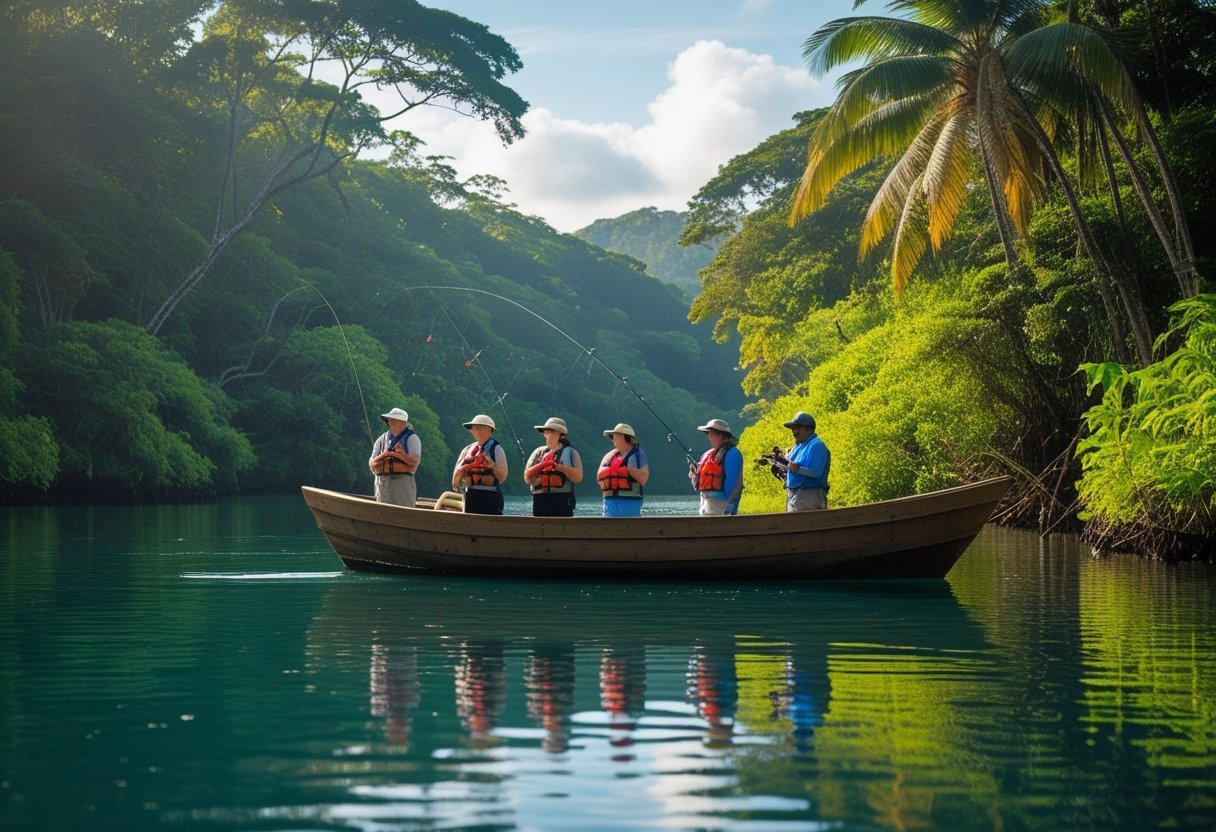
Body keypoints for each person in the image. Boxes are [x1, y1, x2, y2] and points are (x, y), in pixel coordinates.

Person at [523, 417, 583, 517]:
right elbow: (527, 477)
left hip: (562, 499)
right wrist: (543, 465)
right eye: (545, 432)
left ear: (557, 433)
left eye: (547, 432)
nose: (544, 435)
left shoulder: (571, 452)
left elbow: (578, 477)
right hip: (540, 499)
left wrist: (560, 468)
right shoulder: (538, 452)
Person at [452, 414, 509, 515]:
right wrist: (457, 487)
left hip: (491, 495)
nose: (477, 430)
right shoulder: (467, 449)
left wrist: (491, 466)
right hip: (470, 494)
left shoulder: (497, 449)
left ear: (490, 430)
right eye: (474, 428)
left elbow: (502, 477)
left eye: (480, 427)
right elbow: (456, 477)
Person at [689, 418, 744, 516]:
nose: (709, 437)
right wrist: (694, 475)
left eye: (712, 434)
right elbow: (698, 486)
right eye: (708, 434)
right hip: (704, 504)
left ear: (721, 436)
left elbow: (734, 484)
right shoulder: (706, 455)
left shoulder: (733, 454)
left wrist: (729, 509)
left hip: (722, 507)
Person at [368, 407, 421, 507]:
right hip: (382, 482)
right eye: (389, 419)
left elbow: (414, 462)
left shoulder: (412, 438)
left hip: (401, 482)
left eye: (394, 419)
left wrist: (396, 455)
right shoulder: (381, 439)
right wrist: (385, 455)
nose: (390, 422)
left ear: (403, 423)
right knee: (381, 513)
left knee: (403, 513)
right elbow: (372, 463)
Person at [780, 411, 830, 511]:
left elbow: (816, 472)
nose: (794, 432)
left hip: (810, 495)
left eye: (797, 428)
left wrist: (797, 468)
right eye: (793, 429)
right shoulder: (798, 446)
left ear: (808, 429)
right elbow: (791, 466)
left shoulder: (817, 446)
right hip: (794, 495)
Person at [597, 423, 649, 517]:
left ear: (624, 437)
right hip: (609, 501)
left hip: (630, 501)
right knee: (609, 529)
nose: (613, 440)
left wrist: (629, 469)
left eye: (615, 436)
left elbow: (643, 479)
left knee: (629, 529)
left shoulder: (638, 454)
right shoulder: (609, 456)